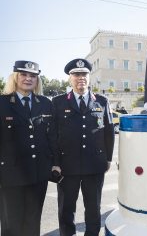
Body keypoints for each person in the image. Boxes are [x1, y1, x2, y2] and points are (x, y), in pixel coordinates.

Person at [52, 58, 115, 236]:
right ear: (70, 78)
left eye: (84, 74)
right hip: (67, 166)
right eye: (76, 74)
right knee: (66, 210)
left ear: (89, 77)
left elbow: (109, 131)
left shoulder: (102, 101)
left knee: (94, 209)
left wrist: (108, 158)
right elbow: (53, 136)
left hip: (94, 164)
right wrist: (55, 162)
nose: (81, 78)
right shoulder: (58, 102)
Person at [0, 61, 57, 235]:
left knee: (33, 220)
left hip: (38, 173)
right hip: (10, 174)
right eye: (23, 75)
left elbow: (52, 136)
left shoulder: (45, 103)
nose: (28, 79)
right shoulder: (2, 103)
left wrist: (55, 163)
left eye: (32, 76)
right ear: (16, 77)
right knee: (11, 223)